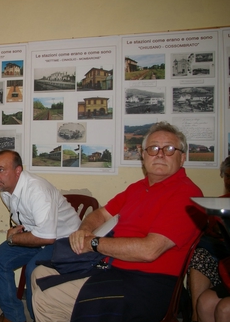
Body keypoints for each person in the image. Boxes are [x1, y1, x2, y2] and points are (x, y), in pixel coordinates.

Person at [31, 121, 206, 322]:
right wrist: (85, 230)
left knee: (47, 299)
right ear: (143, 155)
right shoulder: (137, 188)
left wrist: (93, 243)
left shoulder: (187, 194)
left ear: (182, 157)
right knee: (40, 273)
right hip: (112, 266)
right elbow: (102, 214)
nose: (160, 154)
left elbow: (149, 250)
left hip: (146, 283)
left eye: (169, 149)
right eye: (153, 148)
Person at [0, 150, 82, 322]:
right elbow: (27, 221)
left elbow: (47, 237)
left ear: (18, 171)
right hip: (37, 234)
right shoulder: (5, 190)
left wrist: (13, 239)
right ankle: (13, 317)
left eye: (1, 170)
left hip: (64, 239)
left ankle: (38, 317)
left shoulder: (37, 190)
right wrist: (17, 233)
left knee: (33, 270)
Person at [188, 156, 230, 321]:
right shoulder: (219, 204)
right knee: (201, 250)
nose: (229, 180)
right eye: (227, 176)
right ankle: (195, 315)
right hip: (223, 256)